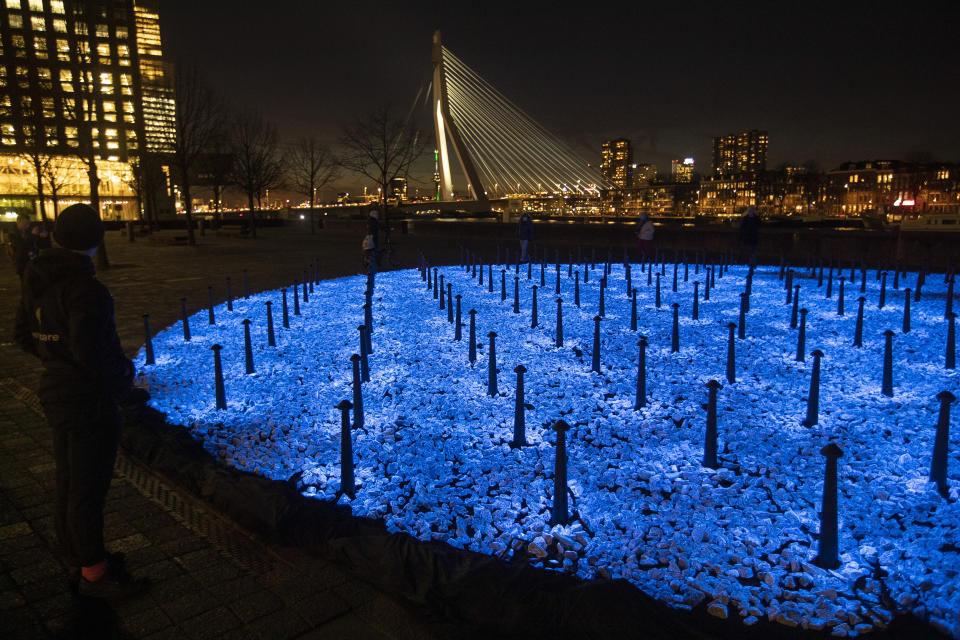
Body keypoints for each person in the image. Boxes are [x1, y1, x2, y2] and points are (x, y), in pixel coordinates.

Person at [14, 204, 148, 599]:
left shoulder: (35, 275)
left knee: (69, 482)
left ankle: (82, 559)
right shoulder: (87, 290)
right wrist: (125, 378)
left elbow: (23, 334)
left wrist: (54, 360)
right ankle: (95, 575)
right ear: (97, 240)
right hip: (88, 401)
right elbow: (92, 352)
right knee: (88, 488)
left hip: (56, 392)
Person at [8, 213, 50, 277]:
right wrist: (33, 235)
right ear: (18, 222)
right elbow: (21, 247)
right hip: (22, 263)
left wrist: (44, 237)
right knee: (25, 282)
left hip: (34, 261)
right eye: (25, 224)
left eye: (28, 224)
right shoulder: (13, 233)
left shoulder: (28, 231)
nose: (27, 226)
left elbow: (42, 245)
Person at [365, 209, 380, 273]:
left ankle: (371, 260)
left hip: (370, 236)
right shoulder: (373, 221)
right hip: (372, 237)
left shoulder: (370, 220)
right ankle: (373, 262)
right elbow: (378, 226)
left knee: (372, 249)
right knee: (374, 248)